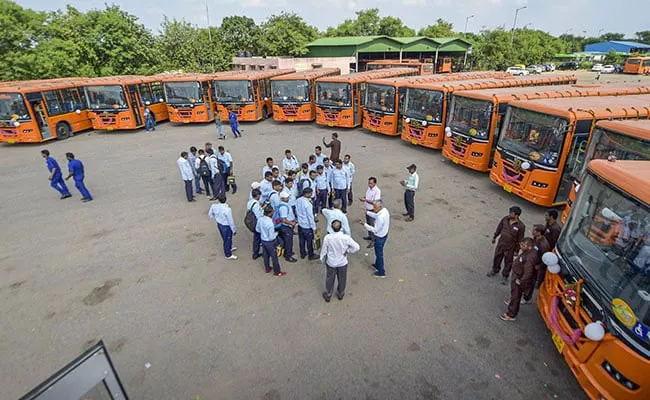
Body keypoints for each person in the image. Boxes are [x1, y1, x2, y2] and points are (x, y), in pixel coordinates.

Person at [321, 220, 360, 302]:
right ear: (341, 227)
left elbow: (324, 250)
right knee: (342, 278)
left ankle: (328, 294)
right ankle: (340, 294)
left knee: (329, 279)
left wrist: (322, 259)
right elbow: (356, 247)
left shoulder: (328, 238)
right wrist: (348, 251)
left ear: (331, 228)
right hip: (342, 262)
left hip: (331, 262)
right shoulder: (346, 238)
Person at [500, 238, 537, 321]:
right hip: (517, 275)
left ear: (529, 246)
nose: (521, 247)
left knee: (516, 296)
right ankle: (512, 303)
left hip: (519, 278)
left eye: (523, 245)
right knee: (514, 294)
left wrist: (521, 281)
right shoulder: (527, 252)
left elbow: (528, 272)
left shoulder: (529, 258)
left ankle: (511, 314)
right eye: (521, 244)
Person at [487, 206, 526, 284]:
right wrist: (494, 237)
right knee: (497, 257)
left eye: (511, 213)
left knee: (508, 262)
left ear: (516, 215)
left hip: (510, 247)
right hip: (501, 243)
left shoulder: (521, 226)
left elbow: (520, 239)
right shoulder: (505, 219)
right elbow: (499, 228)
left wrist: (517, 250)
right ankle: (495, 270)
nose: (509, 214)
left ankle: (505, 275)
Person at [256, 205, 286, 276]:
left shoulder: (260, 219)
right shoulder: (270, 224)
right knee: (274, 256)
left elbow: (257, 229)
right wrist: (276, 233)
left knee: (266, 255)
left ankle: (267, 268)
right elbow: (271, 237)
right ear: (270, 213)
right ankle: (277, 271)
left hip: (263, 239)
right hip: (270, 242)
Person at [364, 200, 390, 278]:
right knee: (379, 252)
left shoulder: (380, 218)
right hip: (384, 234)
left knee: (379, 254)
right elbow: (376, 215)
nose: (374, 208)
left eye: (375, 207)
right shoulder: (384, 211)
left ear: (379, 207)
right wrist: (368, 213)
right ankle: (377, 264)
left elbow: (375, 230)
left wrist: (365, 225)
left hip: (379, 236)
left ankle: (381, 271)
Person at [208, 194, 238, 260]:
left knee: (225, 238)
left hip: (219, 224)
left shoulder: (214, 206)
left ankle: (229, 248)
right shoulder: (227, 209)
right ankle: (228, 254)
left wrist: (216, 219)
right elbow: (231, 221)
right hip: (226, 226)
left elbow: (210, 214)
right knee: (228, 239)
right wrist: (234, 230)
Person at [296, 188, 319, 260]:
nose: (311, 195)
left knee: (301, 240)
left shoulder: (298, 200)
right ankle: (311, 255)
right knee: (309, 241)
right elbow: (310, 216)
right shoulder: (308, 204)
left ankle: (302, 253)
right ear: (307, 194)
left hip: (300, 224)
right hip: (307, 226)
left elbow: (296, 210)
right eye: (310, 193)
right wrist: (314, 227)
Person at [529, 224, 551, 294]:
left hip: (536, 266)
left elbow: (545, 258)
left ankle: (527, 296)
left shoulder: (544, 244)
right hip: (531, 262)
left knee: (531, 281)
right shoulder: (536, 238)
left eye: (534, 230)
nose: (532, 231)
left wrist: (539, 266)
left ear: (539, 232)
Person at [360, 177, 381, 248]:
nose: (369, 185)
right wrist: (364, 198)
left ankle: (373, 240)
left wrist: (365, 200)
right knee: (368, 223)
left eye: (371, 183)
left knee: (372, 225)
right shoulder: (369, 189)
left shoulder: (377, 191)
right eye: (369, 183)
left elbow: (375, 202)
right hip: (367, 209)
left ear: (375, 183)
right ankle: (370, 236)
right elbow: (367, 196)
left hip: (372, 210)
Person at [278, 192, 298, 263]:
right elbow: (284, 219)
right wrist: (291, 223)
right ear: (282, 198)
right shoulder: (283, 207)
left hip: (287, 226)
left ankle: (287, 252)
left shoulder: (285, 204)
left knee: (287, 241)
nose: (288, 198)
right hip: (286, 226)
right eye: (286, 197)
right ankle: (288, 256)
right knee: (288, 241)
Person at [247, 189, 264, 259]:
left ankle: (255, 253)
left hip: (251, 221)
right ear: (257, 196)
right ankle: (256, 253)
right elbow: (259, 216)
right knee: (258, 238)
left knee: (256, 238)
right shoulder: (256, 205)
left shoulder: (249, 202)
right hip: (257, 223)